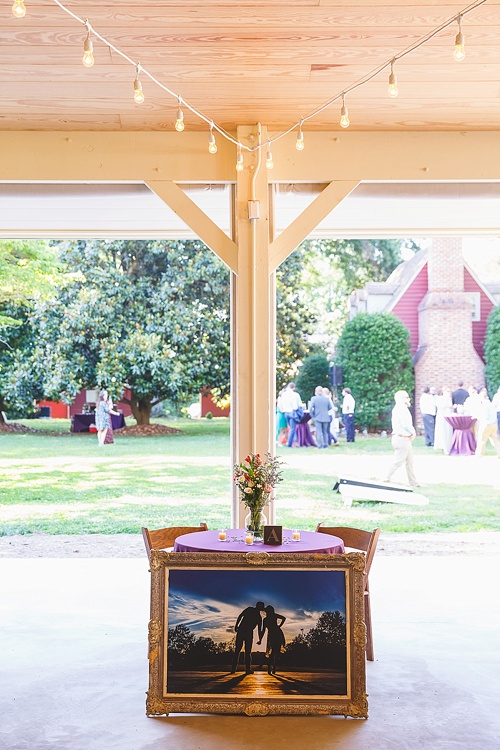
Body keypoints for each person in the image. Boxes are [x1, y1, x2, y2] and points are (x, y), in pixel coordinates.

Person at [384, 390, 421, 487]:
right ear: (400, 398)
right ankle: (385, 478)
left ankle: (413, 482)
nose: (408, 399)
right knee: (398, 461)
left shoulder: (399, 408)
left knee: (410, 462)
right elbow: (406, 424)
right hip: (402, 438)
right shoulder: (401, 408)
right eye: (406, 397)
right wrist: (413, 432)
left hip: (403, 438)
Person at [231, 601, 265, 675]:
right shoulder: (256, 615)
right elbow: (241, 616)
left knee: (240, 650)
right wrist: (260, 639)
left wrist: (236, 626)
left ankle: (236, 669)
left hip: (243, 631)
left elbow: (240, 616)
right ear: (260, 607)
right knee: (245, 651)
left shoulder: (256, 615)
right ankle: (245, 669)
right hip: (246, 632)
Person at [258, 605, 286, 675]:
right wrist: (279, 626)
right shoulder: (273, 616)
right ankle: (272, 668)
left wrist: (260, 639)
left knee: (274, 652)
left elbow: (263, 630)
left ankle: (271, 668)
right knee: (275, 652)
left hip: (274, 634)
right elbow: (283, 618)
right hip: (276, 633)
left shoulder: (266, 619)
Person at [475, 388, 500, 457]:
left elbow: (484, 416)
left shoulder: (484, 405)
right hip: (494, 424)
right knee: (496, 440)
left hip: (486, 424)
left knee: (481, 440)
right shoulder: (490, 403)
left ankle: (479, 454)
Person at [277, 382, 303, 448]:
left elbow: (281, 404)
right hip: (292, 412)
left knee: (290, 427)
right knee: (292, 428)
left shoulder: (284, 394)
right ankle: (290, 443)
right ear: (293, 388)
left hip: (286, 412)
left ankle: (294, 441)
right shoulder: (295, 395)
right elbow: (297, 405)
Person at [433, 386, 454, 455]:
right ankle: (443, 447)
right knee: (442, 432)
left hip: (448, 416)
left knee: (448, 432)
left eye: (449, 391)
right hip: (441, 417)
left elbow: (450, 407)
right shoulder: (439, 398)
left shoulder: (449, 399)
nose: (449, 393)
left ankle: (448, 447)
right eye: (447, 391)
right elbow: (441, 406)